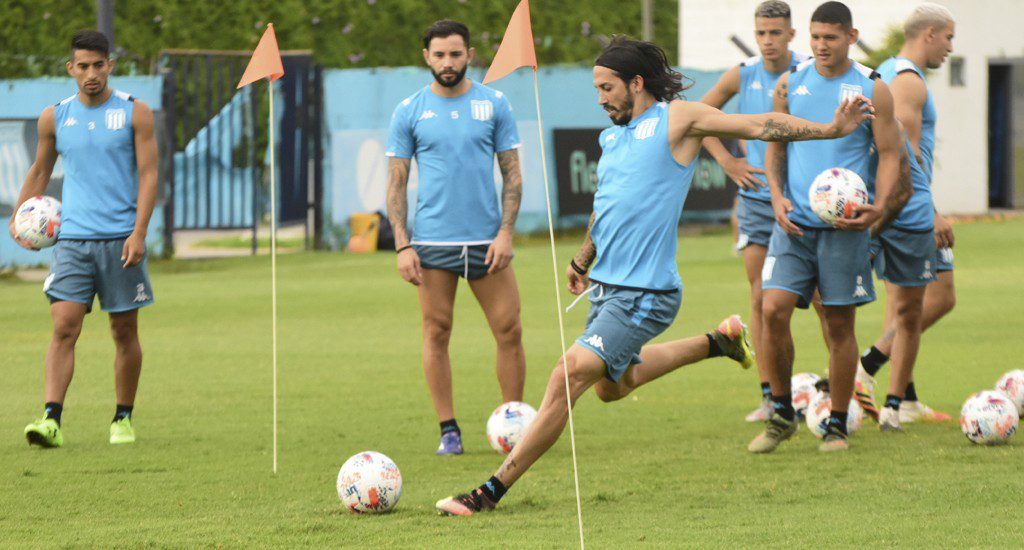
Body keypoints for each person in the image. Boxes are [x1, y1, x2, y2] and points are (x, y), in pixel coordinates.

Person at [435, 35, 873, 515]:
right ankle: (718, 342)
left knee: (566, 376)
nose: (600, 98)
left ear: (636, 83)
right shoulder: (611, 137)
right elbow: (609, 208)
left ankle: (489, 492)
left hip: (646, 294)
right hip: (607, 288)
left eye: (607, 88)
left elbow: (760, 123)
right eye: (597, 89)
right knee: (611, 388)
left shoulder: (677, 119)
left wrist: (831, 129)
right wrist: (583, 258)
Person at [749, 1, 910, 453]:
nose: (821, 46)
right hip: (794, 224)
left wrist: (878, 207)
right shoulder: (790, 84)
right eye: (816, 37)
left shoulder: (872, 90)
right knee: (772, 309)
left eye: (831, 38)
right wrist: (777, 197)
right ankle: (781, 413)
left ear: (851, 38)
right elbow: (775, 147)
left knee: (839, 326)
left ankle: (836, 423)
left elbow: (891, 153)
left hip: (846, 230)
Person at [10, 30, 158, 448]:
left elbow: (149, 175)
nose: (91, 73)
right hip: (72, 240)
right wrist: (20, 217)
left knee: (123, 331)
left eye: (98, 65)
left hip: (120, 241)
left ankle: (122, 418)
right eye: (83, 66)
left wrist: (139, 232)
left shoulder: (135, 113)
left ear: (110, 65)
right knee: (63, 328)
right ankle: (51, 419)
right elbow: (40, 170)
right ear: (70, 68)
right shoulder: (54, 117)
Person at [385, 20, 527, 455]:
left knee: (509, 330)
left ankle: (515, 423)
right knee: (436, 332)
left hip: (487, 243)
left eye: (456, 54)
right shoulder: (408, 110)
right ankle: (449, 430)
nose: (448, 62)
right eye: (440, 54)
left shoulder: (495, 103)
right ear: (426, 57)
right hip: (431, 246)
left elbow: (513, 175)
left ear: (469, 54)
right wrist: (402, 243)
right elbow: (396, 183)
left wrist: (505, 234)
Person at [698, 0, 826, 423]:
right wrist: (728, 161)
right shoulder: (743, 73)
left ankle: (840, 388)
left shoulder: (808, 73)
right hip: (756, 203)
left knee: (826, 301)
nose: (768, 41)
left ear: (792, 35)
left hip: (805, 204)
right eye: (761, 33)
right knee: (760, 297)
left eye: (775, 33)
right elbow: (700, 119)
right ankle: (771, 396)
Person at [854, 3, 957, 426]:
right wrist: (931, 211)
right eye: (949, 37)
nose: (951, 47)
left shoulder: (888, 69)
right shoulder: (910, 82)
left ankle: (906, 398)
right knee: (938, 298)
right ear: (929, 33)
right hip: (909, 210)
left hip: (897, 207)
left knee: (901, 304)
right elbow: (904, 153)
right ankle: (869, 367)